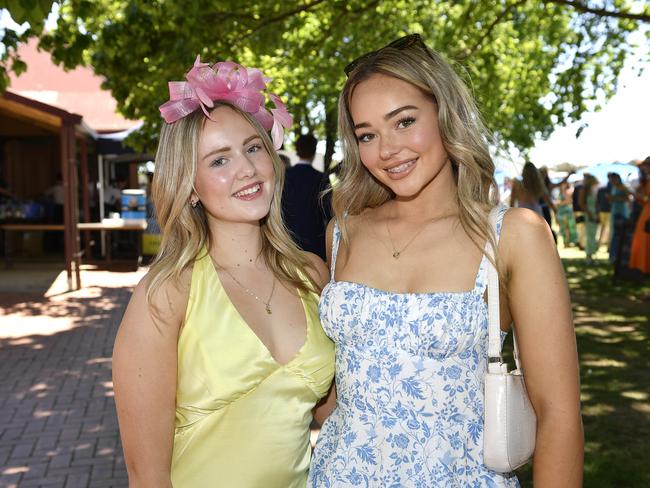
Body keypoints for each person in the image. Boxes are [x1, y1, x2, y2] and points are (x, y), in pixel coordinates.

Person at [308, 34, 583, 487]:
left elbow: (558, 414)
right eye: (367, 135)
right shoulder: (343, 231)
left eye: (404, 121)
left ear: (444, 113)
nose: (387, 149)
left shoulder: (512, 236)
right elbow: (335, 391)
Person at [112, 57, 335, 487]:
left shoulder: (312, 275)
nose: (247, 170)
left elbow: (335, 414)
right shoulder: (166, 294)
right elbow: (146, 477)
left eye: (253, 148)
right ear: (190, 187)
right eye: (218, 161)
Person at [282, 133, 332, 260]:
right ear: (314, 151)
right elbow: (328, 212)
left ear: (297, 150)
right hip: (315, 241)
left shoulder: (283, 177)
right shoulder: (321, 179)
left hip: (287, 240)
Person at [629, 158, 650, 273]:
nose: (644, 168)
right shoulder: (646, 180)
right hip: (646, 212)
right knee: (643, 239)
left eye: (646, 166)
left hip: (647, 213)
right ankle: (643, 267)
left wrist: (640, 196)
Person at [606, 173, 631, 264]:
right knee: (615, 236)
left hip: (621, 214)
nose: (611, 181)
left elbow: (627, 198)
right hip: (615, 213)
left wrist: (614, 198)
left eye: (613, 179)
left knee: (619, 236)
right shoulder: (613, 187)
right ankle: (614, 256)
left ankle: (618, 257)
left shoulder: (622, 187)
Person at [580, 174, 599, 263]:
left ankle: (592, 255)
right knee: (590, 235)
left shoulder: (592, 189)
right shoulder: (584, 190)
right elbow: (582, 203)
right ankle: (589, 256)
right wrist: (590, 214)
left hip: (593, 213)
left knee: (593, 235)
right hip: (589, 214)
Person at [555, 180, 578, 247]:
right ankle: (566, 242)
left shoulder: (567, 192)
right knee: (564, 228)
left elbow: (568, 201)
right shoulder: (561, 193)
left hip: (566, 212)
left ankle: (568, 242)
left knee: (568, 228)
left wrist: (559, 203)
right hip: (562, 212)